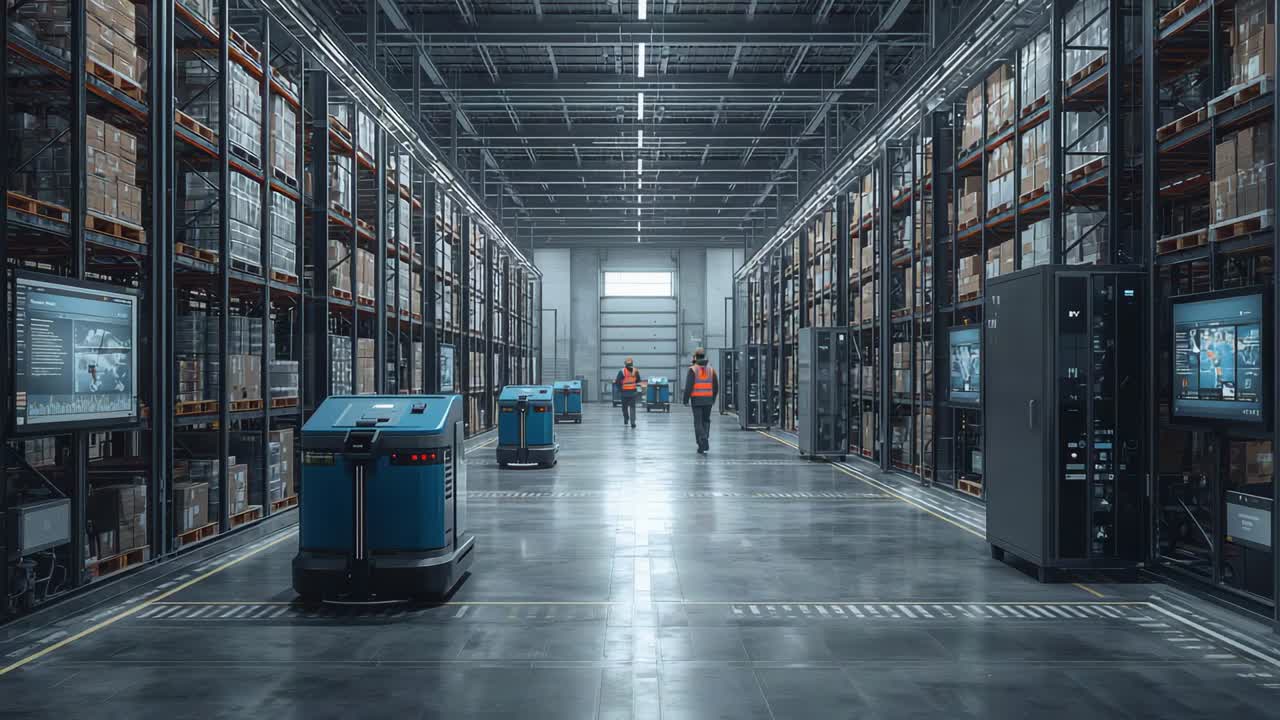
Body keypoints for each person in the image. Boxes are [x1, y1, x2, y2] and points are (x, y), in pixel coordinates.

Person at [683, 348, 719, 454]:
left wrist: (685, 399)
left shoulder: (693, 369)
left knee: (698, 422)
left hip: (697, 400)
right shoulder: (711, 370)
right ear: (704, 356)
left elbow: (688, 386)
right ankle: (702, 444)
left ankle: (702, 439)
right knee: (706, 420)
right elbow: (716, 386)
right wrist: (713, 398)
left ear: (695, 357)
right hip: (708, 400)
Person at [614, 357, 641, 428]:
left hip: (624, 393)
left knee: (624, 407)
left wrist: (620, 390)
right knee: (632, 407)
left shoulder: (622, 371)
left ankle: (626, 418)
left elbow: (617, 382)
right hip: (632, 392)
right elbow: (638, 380)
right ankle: (633, 422)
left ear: (625, 364)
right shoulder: (635, 371)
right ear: (632, 363)